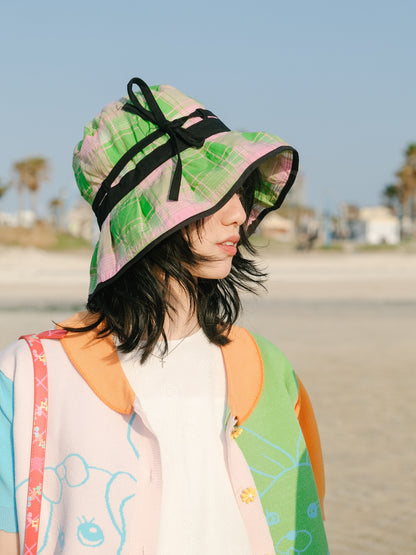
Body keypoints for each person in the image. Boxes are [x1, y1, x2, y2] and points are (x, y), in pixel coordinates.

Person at [0, 77, 329, 554]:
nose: (238, 213)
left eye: (240, 191)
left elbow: (306, 520)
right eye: (213, 193)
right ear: (152, 216)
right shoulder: (30, 377)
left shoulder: (265, 368)